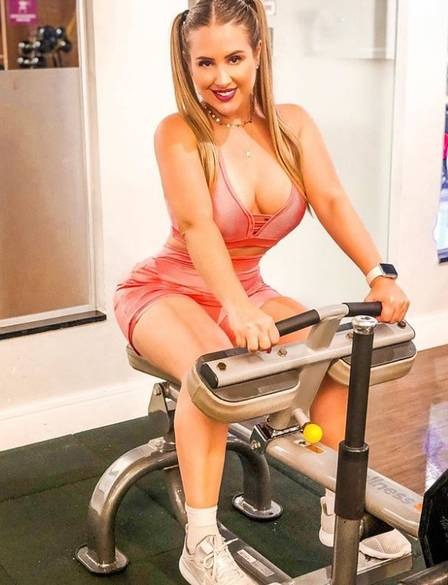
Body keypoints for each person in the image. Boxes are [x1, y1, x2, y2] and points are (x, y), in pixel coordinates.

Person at [113, 1, 410, 583]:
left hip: (246, 288)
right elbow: (197, 227)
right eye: (204, 63)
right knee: (214, 371)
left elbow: (331, 201)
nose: (220, 77)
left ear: (258, 54)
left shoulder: (292, 126)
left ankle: (341, 509)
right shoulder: (178, 132)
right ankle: (200, 545)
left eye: (233, 58)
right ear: (186, 65)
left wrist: (379, 273)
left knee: (336, 355)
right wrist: (236, 308)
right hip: (166, 290)